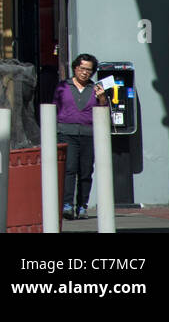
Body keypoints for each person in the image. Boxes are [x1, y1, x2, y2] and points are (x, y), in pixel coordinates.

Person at [55, 53, 109, 220]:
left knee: (85, 172)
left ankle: (82, 206)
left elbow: (104, 111)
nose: (85, 72)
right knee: (69, 169)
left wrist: (101, 98)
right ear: (75, 68)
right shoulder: (63, 86)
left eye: (89, 70)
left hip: (88, 134)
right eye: (82, 68)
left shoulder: (95, 88)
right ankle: (67, 205)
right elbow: (55, 108)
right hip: (67, 133)